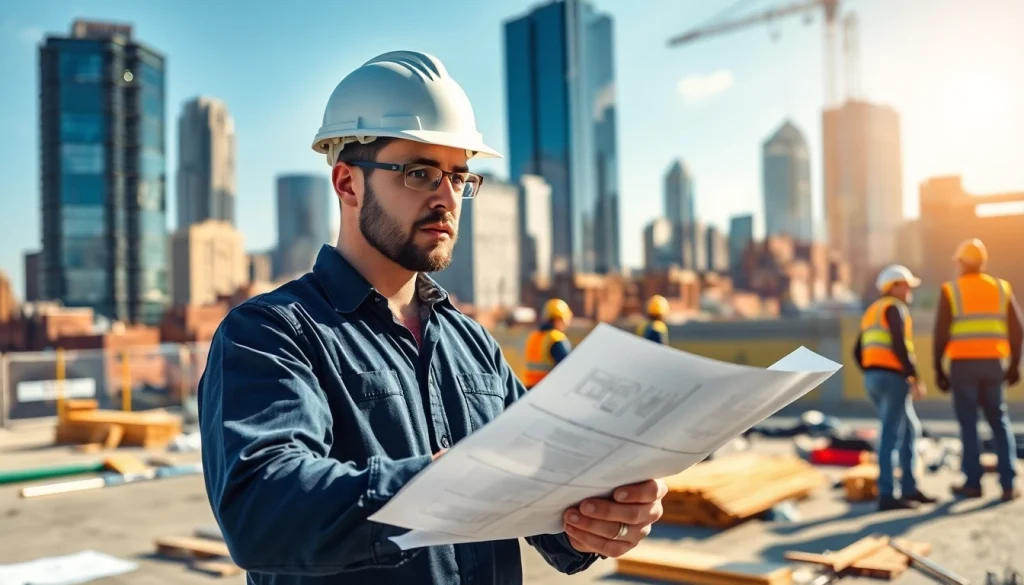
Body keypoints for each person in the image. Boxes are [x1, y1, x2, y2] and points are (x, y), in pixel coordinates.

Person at [197, 51, 667, 585]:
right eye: (420, 173)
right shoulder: (271, 333)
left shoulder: (474, 345)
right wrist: (443, 485)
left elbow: (549, 508)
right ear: (348, 184)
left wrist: (602, 515)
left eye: (459, 176)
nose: (447, 197)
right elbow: (262, 510)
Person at [933, 238, 1022, 502]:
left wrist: (938, 368)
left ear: (960, 262)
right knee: (999, 422)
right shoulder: (1001, 288)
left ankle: (973, 482)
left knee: (968, 423)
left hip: (963, 366)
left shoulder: (951, 290)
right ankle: (1008, 484)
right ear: (983, 262)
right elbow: (1018, 330)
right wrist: (1015, 365)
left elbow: (940, 334)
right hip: (994, 364)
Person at [853, 264, 936, 511]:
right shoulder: (895, 308)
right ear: (894, 286)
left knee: (909, 430)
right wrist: (915, 378)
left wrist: (871, 371)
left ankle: (909, 488)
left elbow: (857, 351)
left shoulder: (871, 312)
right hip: (892, 379)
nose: (909, 289)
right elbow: (900, 346)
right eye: (906, 284)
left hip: (873, 378)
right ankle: (888, 494)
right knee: (891, 434)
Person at [523, 298, 574, 389]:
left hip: (529, 390)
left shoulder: (534, 336)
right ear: (559, 319)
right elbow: (568, 368)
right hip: (547, 391)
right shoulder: (556, 338)